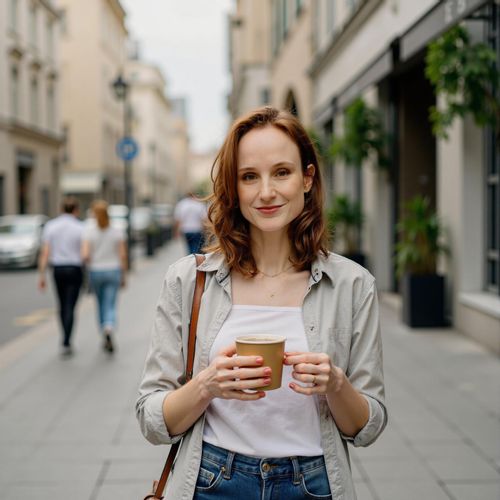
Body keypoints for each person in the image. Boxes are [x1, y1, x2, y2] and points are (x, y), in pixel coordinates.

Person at [136, 107, 387, 499]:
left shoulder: (352, 285)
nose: (266, 192)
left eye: (282, 172)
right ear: (234, 190)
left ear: (307, 178)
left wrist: (336, 384)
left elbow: (367, 427)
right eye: (249, 176)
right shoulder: (189, 280)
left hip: (314, 484)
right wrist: (208, 385)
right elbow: (152, 419)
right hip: (212, 480)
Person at [38, 196, 84, 357]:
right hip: (75, 268)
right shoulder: (80, 227)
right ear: (76, 210)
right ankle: (67, 340)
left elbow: (45, 252)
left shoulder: (51, 226)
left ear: (61, 209)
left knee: (62, 303)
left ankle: (64, 338)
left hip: (58, 269)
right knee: (71, 305)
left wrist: (42, 275)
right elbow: (84, 253)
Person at [81, 200, 127, 354]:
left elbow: (85, 255)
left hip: (96, 271)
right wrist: (123, 275)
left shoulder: (89, 231)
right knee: (111, 303)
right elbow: (122, 255)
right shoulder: (116, 231)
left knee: (100, 304)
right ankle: (109, 326)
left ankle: (104, 330)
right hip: (113, 270)